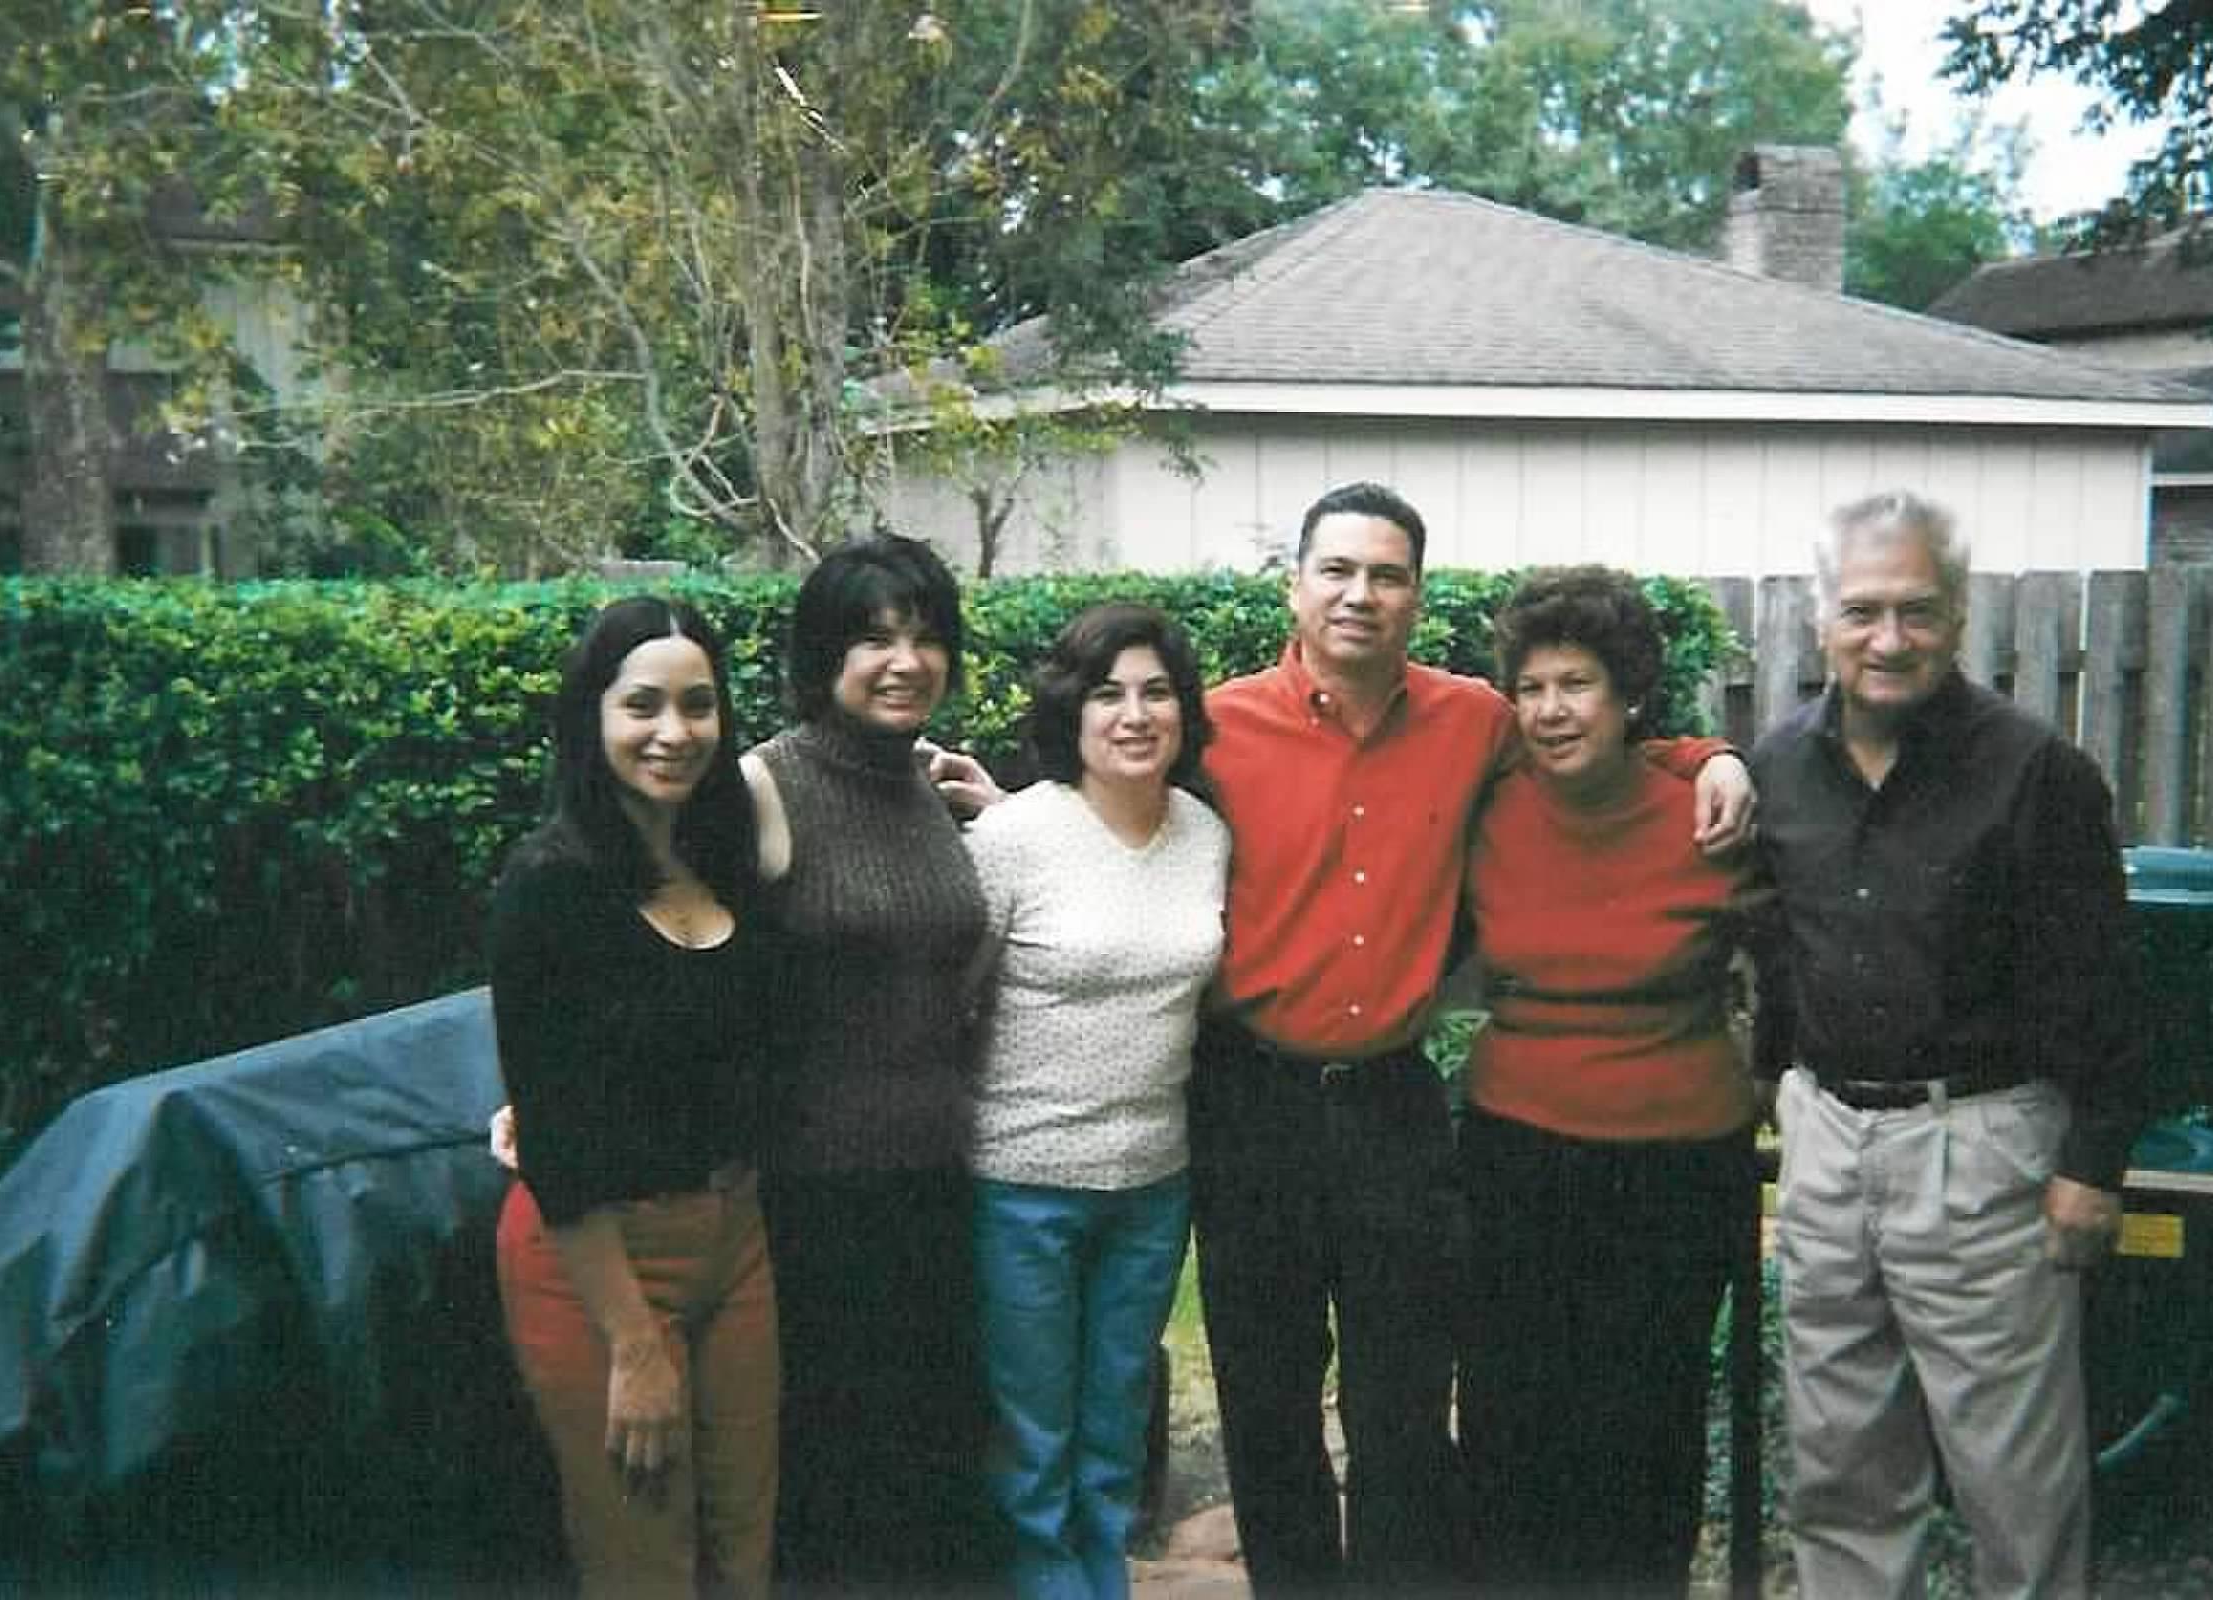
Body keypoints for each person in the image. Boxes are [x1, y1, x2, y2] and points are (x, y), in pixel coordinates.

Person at [1187, 481, 1755, 1592]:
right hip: (1252, 1102)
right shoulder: (1214, 729)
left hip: (1391, 1103)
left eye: (1386, 575)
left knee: (1405, 1405)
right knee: (1268, 1398)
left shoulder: (1476, 722)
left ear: (1416, 595)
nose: (1360, 594)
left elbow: (1617, 742)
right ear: (1294, 587)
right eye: (1336, 570)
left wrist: (1715, 756)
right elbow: (1110, 792)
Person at [1750, 492, 2143, 1599]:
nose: (1889, 638)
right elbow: (1778, 951)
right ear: (1822, 616)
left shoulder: (2035, 772)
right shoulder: (1778, 766)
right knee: (1839, 1468)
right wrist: (1777, 1095)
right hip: (1828, 1142)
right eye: (1863, 610)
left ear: (1959, 614)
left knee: (2015, 1485)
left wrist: (2092, 1163)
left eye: (1916, 610)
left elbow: (2107, 985)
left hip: (1981, 1149)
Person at [1456, 566, 1765, 1596]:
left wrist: (1717, 755)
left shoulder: (1708, 815)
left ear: (1630, 694)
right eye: (1532, 687)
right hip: (1516, 1153)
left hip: (1675, 1167)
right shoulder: (1488, 806)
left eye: (1577, 684)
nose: (1551, 709)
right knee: (1510, 1424)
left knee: (1644, 1426)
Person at [489, 596, 780, 1599]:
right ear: (593, 716)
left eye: (699, 705)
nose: (674, 731)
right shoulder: (549, 886)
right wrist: (632, 1343)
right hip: (601, 1259)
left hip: (735, 1236)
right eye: (642, 704)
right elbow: (557, 1139)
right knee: (641, 1557)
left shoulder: (727, 859)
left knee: (745, 1545)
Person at [739, 533, 1003, 1594]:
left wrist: (1006, 812)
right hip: (814, 1198)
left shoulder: (928, 782)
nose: (906, 661)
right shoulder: (764, 784)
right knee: (838, 1473)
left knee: (937, 1465)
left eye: (926, 637)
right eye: (874, 639)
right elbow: (669, 959)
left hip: (939, 1181)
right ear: (823, 657)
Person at [963, 603, 1231, 1600]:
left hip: (1152, 1189)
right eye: (1108, 693)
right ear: (1070, 711)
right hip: (1021, 1185)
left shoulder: (1205, 835)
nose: (1134, 713)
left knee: (1114, 1430)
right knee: (1033, 1440)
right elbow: (956, 996)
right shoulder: (1012, 836)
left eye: (1156, 691)